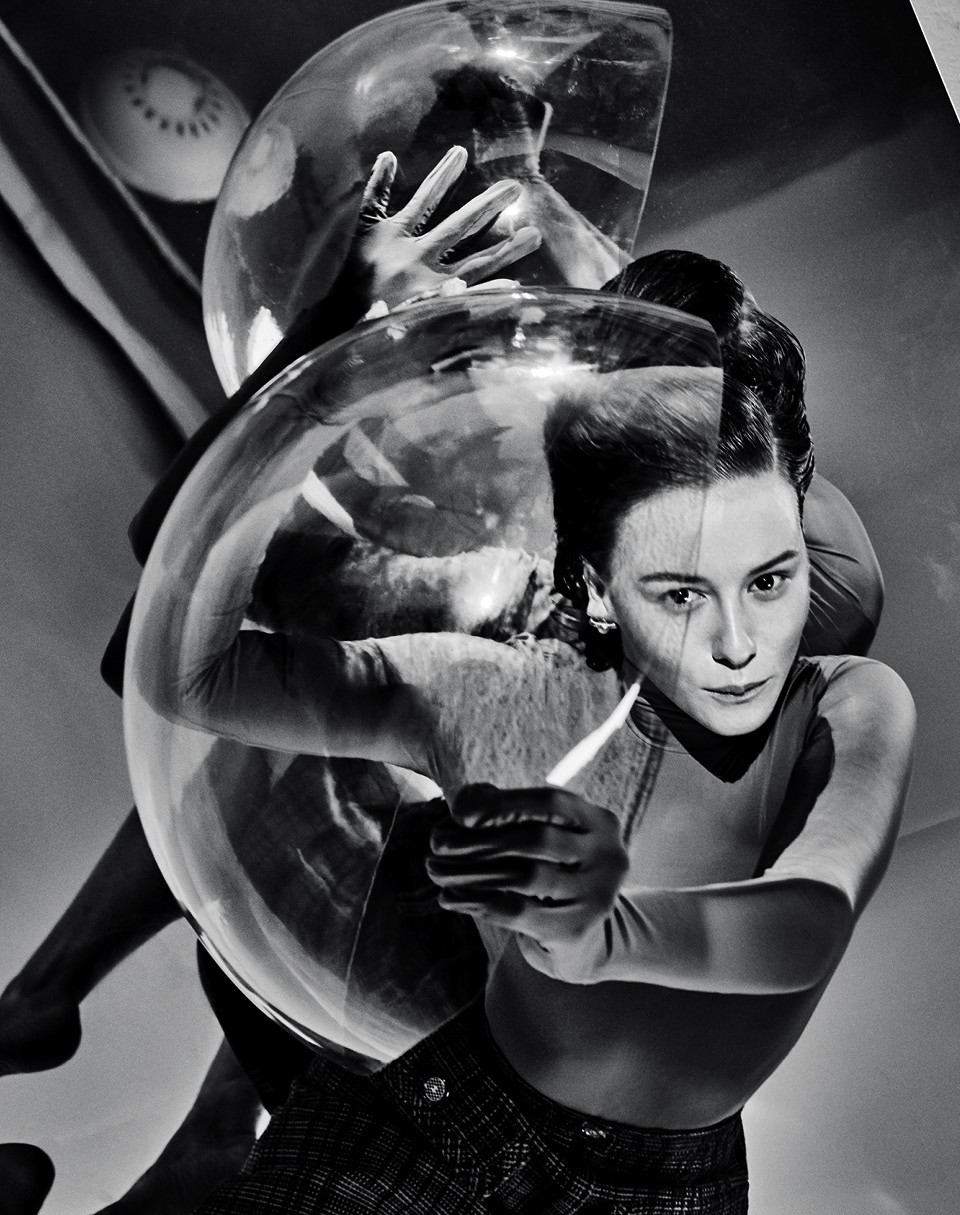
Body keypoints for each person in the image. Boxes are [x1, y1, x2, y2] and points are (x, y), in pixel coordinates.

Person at [0, 148, 886, 1212]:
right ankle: (100, 1044)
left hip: (539, 1102)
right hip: (440, 1051)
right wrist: (336, 351)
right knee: (325, 746)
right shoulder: (501, 599)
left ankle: (116, 1058)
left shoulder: (804, 609)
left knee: (351, 765)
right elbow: (166, 603)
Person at [139, 355, 914, 1212]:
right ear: (600, 589)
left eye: (770, 580)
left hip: (668, 1193)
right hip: (422, 1121)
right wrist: (310, 408)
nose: (740, 644)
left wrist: (611, 931)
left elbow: (811, 920)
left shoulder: (846, 701)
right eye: (682, 595)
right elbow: (189, 679)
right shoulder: (491, 686)